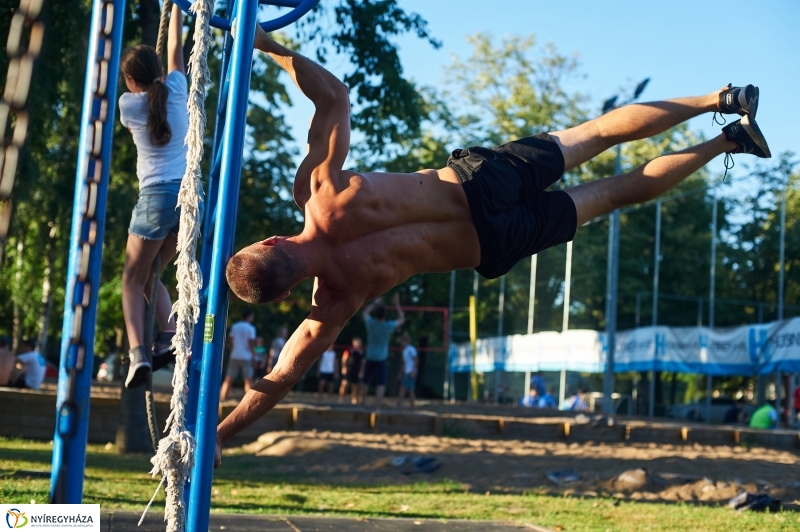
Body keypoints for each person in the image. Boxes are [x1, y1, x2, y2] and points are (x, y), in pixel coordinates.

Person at [215, 24, 771, 465]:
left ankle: (729, 141)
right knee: (597, 133)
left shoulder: (334, 299)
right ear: (272, 239)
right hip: (479, 182)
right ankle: (721, 98)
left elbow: (280, 376)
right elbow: (333, 95)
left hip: (490, 241)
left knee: (613, 193)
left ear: (287, 293)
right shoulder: (320, 193)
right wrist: (265, 44)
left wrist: (221, 432)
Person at [120, 5, 194, 389]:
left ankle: (138, 355)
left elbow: (155, 77)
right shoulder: (178, 90)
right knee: (152, 275)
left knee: (132, 280)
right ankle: (168, 340)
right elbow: (177, 47)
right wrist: (179, 9)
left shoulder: (128, 106)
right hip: (186, 201)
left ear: (131, 80)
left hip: (155, 199)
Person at [361, 294, 405, 410]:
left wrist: (375, 303)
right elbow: (402, 319)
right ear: (384, 315)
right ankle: (377, 406)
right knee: (380, 383)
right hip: (381, 358)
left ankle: (362, 404)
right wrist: (396, 304)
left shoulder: (371, 324)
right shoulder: (387, 326)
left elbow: (364, 314)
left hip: (370, 356)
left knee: (365, 381)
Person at [220, 309, 257, 401]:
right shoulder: (251, 328)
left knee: (229, 378)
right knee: (248, 378)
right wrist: (254, 354)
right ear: (249, 316)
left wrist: (232, 349)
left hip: (235, 355)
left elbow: (230, 339)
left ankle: (222, 397)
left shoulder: (235, 326)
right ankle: (249, 400)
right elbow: (251, 342)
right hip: (246, 356)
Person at [338, 337, 365, 404]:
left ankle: (354, 399)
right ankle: (341, 398)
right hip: (349, 369)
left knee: (355, 385)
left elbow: (363, 362)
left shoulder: (361, 352)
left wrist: (361, 371)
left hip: (357, 370)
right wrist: (344, 368)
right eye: (357, 342)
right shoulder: (349, 350)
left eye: (359, 342)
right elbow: (344, 359)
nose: (358, 344)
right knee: (344, 383)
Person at [396, 334, 418, 409]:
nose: (402, 343)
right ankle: (412, 406)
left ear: (407, 341)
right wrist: (400, 373)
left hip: (410, 371)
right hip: (407, 371)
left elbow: (415, 359)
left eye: (403, 341)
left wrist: (414, 370)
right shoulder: (404, 351)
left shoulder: (411, 349)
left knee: (403, 388)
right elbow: (405, 363)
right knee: (410, 389)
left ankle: (399, 405)